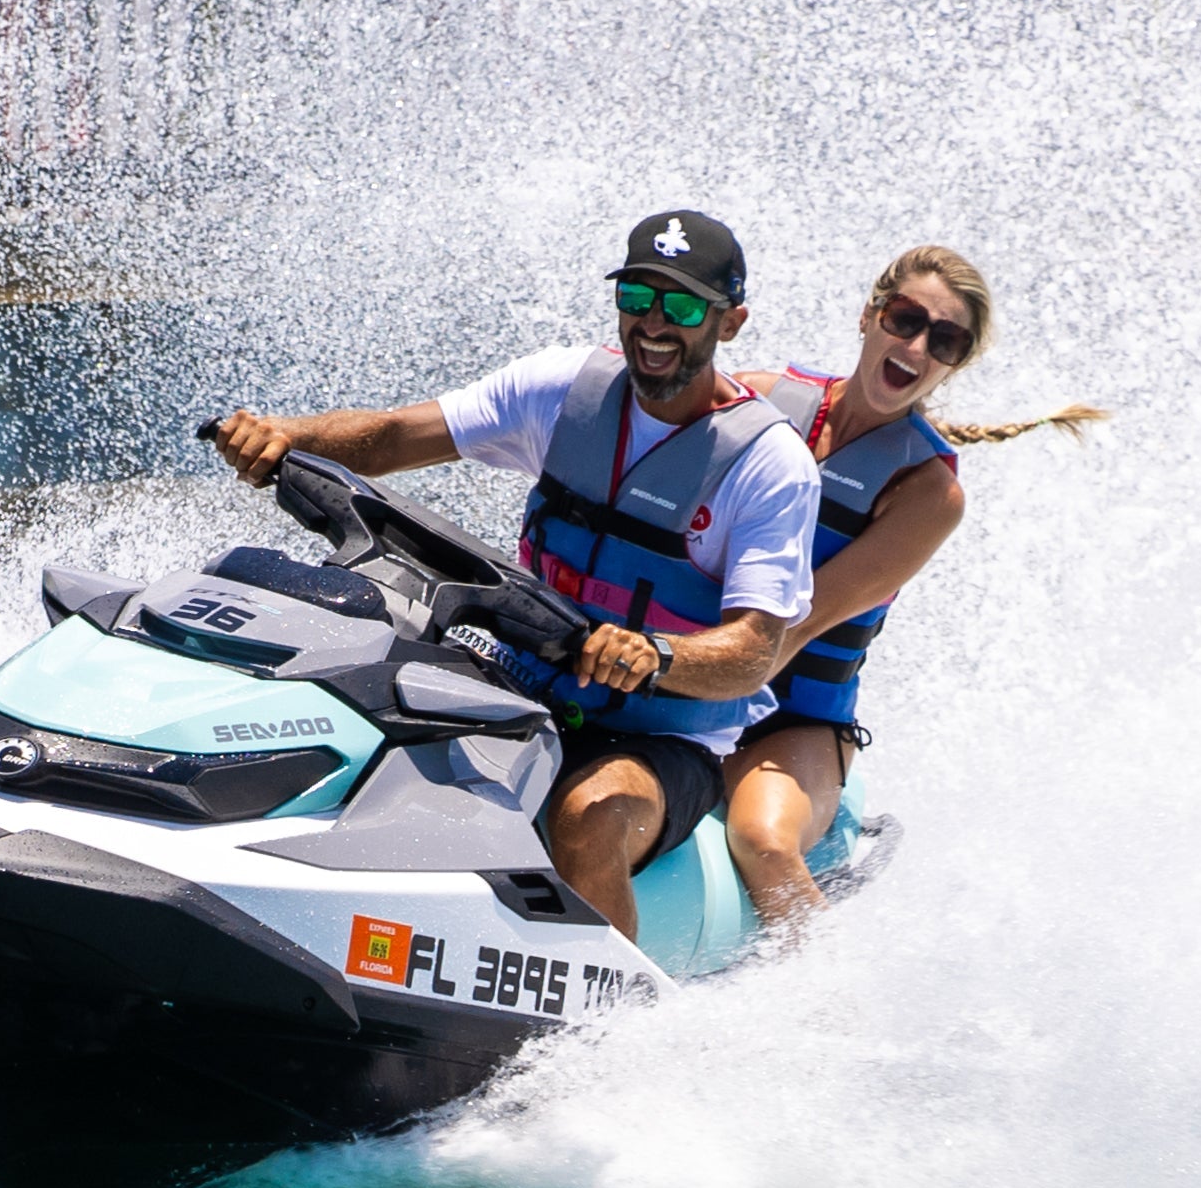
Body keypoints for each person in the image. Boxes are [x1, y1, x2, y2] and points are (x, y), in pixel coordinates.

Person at [209, 208, 819, 946]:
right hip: (517, 685)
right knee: (355, 677)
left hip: (660, 739)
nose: (653, 324)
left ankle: (609, 1036)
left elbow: (754, 651)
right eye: (636, 298)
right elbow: (397, 435)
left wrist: (654, 654)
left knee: (589, 817)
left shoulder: (767, 464)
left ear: (731, 322)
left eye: (682, 306)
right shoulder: (564, 390)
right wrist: (285, 437)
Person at [722, 248, 1107, 933]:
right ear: (871, 315)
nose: (918, 345)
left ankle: (823, 1009)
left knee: (764, 841)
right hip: (688, 665)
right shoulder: (754, 399)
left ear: (954, 362)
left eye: (946, 340)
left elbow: (799, 626)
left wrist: (677, 698)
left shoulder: (929, 492)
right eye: (906, 319)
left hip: (794, 717)